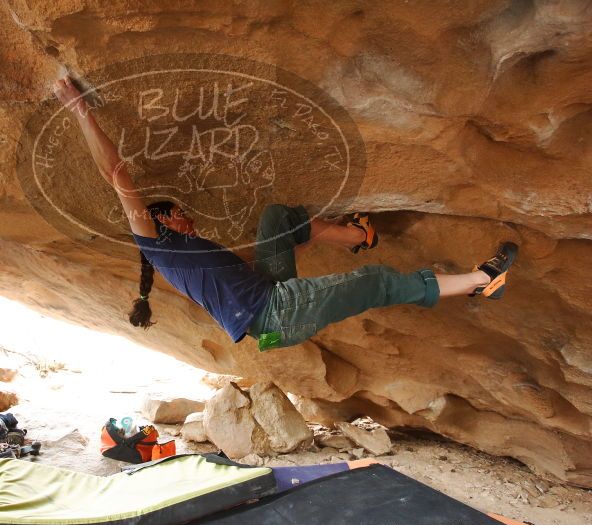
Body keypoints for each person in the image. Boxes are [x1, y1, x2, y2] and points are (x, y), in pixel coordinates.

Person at [52, 76, 518, 350]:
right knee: (374, 282)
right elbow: (116, 173)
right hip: (277, 316)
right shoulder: (154, 243)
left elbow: (244, 267)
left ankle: (357, 237)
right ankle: (483, 281)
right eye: (175, 213)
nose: (185, 216)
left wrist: (279, 247)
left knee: (277, 219)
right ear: (158, 223)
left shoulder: (187, 253)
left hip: (268, 295)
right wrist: (78, 110)